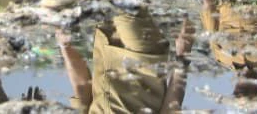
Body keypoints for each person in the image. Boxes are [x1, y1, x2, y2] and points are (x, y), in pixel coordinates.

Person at [57, 12, 192, 113]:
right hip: (141, 56)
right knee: (122, 0)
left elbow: (81, 85)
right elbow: (171, 106)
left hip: (104, 42)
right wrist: (182, 56)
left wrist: (65, 46)